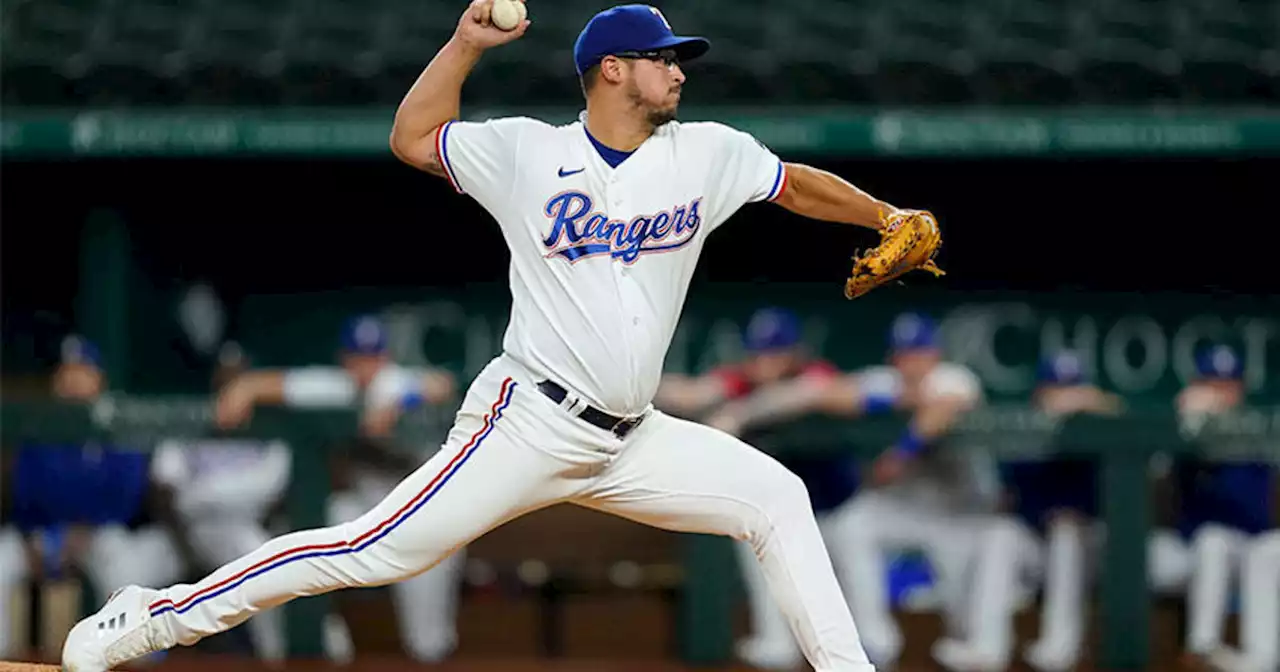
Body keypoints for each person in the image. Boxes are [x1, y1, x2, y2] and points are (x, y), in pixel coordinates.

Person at [62, 4, 939, 670]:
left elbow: (791, 184)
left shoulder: (704, 152)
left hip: (634, 438)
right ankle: (152, 615)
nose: (679, 72)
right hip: (527, 422)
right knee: (369, 551)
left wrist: (884, 213)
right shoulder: (526, 152)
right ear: (610, 72)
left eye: (678, 60)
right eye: (662, 60)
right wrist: (467, 45)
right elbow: (411, 138)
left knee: (776, 499)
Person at [207, 316, 461, 664]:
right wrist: (242, 388)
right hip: (367, 510)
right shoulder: (338, 385)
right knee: (305, 539)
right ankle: (319, 635)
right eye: (358, 357)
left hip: (424, 517)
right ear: (345, 358)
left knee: (428, 641)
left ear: (385, 357)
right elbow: (273, 383)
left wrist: (404, 401)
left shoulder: (397, 383)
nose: (365, 366)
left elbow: (443, 385)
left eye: (373, 356)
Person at [931, 350, 1189, 672]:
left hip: (1096, 549)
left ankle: (1059, 649)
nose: (1063, 399)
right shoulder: (1027, 430)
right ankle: (986, 649)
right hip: (1038, 547)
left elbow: (1145, 450)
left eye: (1071, 389)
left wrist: (1096, 406)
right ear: (1040, 393)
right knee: (1000, 534)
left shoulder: (1103, 425)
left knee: (1068, 533)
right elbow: (1015, 496)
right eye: (1055, 389)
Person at [655, 306, 857, 670]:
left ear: (794, 352)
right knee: (762, 554)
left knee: (844, 588)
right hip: (783, 512)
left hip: (837, 507)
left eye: (776, 351)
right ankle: (776, 645)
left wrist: (739, 414)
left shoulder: (814, 374)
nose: (766, 361)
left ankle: (864, 652)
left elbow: (815, 394)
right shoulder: (742, 379)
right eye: (760, 352)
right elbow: (690, 395)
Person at [6, 337, 185, 660]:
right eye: (66, 372)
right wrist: (32, 535)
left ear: (98, 379)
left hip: (102, 535)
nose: (72, 381)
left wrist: (85, 529)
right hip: (45, 534)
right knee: (3, 557)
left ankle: (139, 659)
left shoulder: (116, 424)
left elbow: (127, 495)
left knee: (121, 567)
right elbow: (24, 492)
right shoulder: (39, 427)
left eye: (81, 372)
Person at [147, 343, 292, 663]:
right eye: (224, 377)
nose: (230, 385)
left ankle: (277, 660)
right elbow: (162, 490)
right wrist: (188, 553)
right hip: (184, 534)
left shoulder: (273, 432)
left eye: (238, 377)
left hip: (241, 531)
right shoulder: (189, 422)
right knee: (127, 569)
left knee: (265, 562)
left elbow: (276, 500)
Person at [1175, 345, 1279, 672]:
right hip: (1204, 546)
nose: (1222, 393)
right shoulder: (1187, 426)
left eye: (1229, 384)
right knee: (1213, 539)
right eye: (1213, 384)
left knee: (1265, 550)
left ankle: (1261, 661)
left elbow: (1254, 511)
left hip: (1258, 540)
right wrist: (1193, 422)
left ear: (1241, 388)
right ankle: (1201, 649)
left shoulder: (1258, 426)